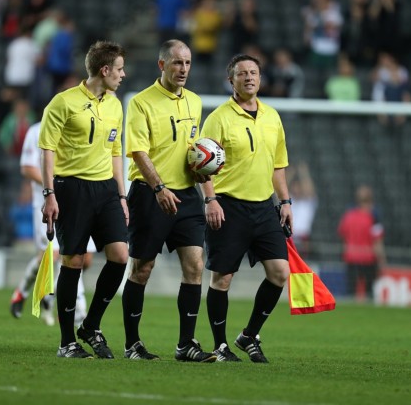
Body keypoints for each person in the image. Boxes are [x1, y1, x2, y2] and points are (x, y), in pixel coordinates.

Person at [123, 39, 216, 362]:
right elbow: (138, 151)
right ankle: (132, 344)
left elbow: (193, 150)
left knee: (195, 266)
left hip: (187, 194)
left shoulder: (194, 101)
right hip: (150, 194)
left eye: (187, 63)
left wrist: (205, 176)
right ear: (162, 65)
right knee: (142, 268)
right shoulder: (141, 102)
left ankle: (186, 344)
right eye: (177, 63)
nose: (183, 69)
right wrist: (159, 188)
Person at [200, 53, 293, 363]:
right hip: (229, 206)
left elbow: (278, 165)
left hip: (264, 207)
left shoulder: (272, 116)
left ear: (260, 78)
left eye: (253, 72)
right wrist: (210, 200)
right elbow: (201, 164)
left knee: (279, 273)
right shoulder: (218, 118)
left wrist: (285, 202)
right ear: (232, 81)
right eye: (242, 73)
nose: (249, 77)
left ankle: (249, 335)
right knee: (222, 279)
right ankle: (220, 345)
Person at [39, 41, 129, 359]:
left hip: (106, 189)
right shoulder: (63, 103)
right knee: (73, 261)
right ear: (104, 70)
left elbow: (115, 151)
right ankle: (67, 342)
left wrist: (122, 194)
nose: (123, 74)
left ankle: (90, 326)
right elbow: (47, 149)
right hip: (71, 188)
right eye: (119, 69)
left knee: (120, 256)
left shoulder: (115, 105)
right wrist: (49, 194)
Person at [10, 121, 95, 327]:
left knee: (85, 259)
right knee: (54, 256)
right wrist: (54, 186)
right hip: (47, 203)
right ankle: (76, 312)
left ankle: (51, 294)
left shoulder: (81, 124)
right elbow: (27, 168)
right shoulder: (37, 130)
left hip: (76, 200)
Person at [337, 185, 386, 301]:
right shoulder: (373, 218)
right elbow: (377, 242)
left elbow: (342, 234)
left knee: (351, 293)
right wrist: (382, 261)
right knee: (369, 293)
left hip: (351, 258)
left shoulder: (348, 216)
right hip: (368, 259)